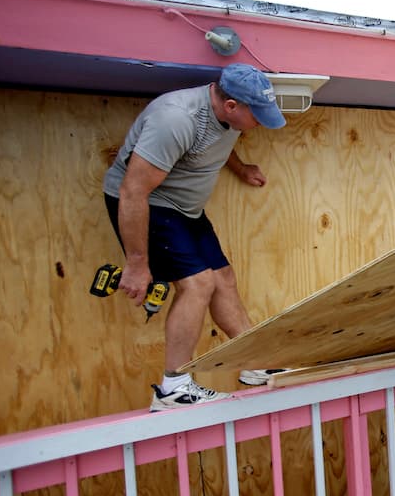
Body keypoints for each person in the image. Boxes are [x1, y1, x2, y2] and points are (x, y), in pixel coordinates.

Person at [103, 63, 288, 412]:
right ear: (231, 105)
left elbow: (216, 143)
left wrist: (241, 167)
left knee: (223, 278)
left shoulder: (228, 116)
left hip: (186, 209)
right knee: (198, 283)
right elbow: (132, 191)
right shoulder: (176, 120)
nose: (261, 122)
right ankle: (172, 387)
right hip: (149, 203)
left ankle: (253, 363)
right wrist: (137, 263)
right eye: (257, 115)